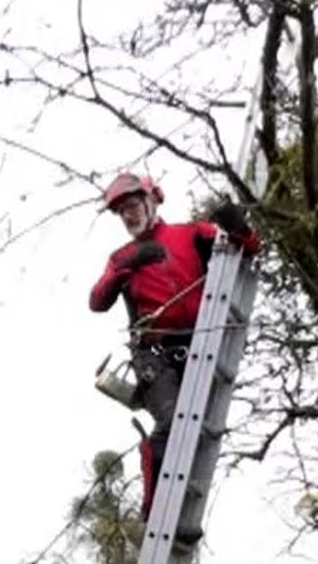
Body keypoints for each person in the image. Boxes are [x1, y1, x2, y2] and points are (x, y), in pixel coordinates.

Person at [87, 172, 261, 536]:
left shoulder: (190, 234)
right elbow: (97, 302)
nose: (129, 217)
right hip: (154, 355)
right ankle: (156, 514)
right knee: (170, 424)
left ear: (152, 200)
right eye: (122, 213)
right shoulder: (121, 257)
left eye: (133, 207)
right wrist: (125, 267)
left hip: (199, 344)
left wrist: (237, 227)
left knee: (197, 428)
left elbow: (247, 248)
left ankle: (181, 514)